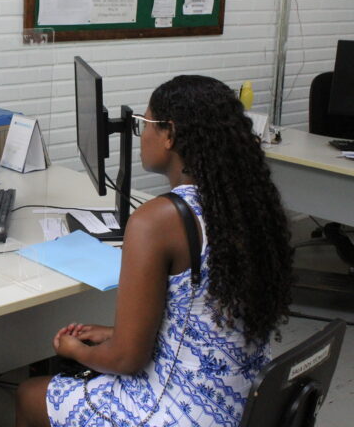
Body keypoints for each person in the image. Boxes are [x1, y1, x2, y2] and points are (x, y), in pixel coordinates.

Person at [15, 75, 293, 427]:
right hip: (244, 403)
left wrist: (75, 350)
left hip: (180, 413)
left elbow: (127, 361)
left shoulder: (157, 221)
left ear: (169, 134)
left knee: (29, 395)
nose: (142, 134)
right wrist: (114, 334)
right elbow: (203, 318)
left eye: (144, 124)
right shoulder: (249, 207)